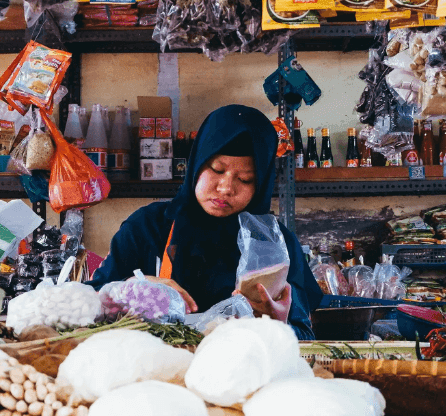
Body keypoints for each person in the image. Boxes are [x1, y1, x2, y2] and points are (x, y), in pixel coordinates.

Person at [87, 104, 322, 340]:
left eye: (245, 179)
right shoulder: (147, 227)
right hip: (155, 369)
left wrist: (278, 325)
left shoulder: (274, 246)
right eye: (216, 169)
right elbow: (89, 304)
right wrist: (133, 286)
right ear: (197, 164)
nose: (226, 188)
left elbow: (305, 335)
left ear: (261, 186)